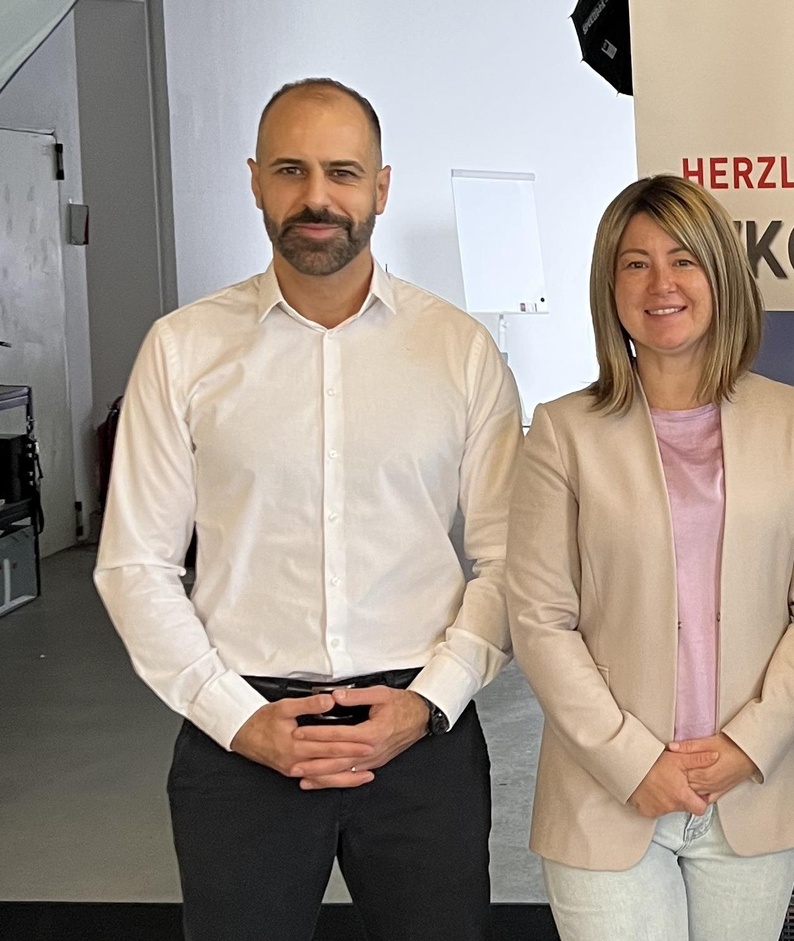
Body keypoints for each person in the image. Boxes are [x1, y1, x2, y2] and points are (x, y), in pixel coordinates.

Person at [94, 78, 522, 941]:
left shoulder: (461, 352)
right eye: (291, 170)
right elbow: (135, 563)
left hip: (420, 738)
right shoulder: (182, 350)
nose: (317, 196)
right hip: (239, 738)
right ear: (256, 180)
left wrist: (428, 702)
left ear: (381, 187)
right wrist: (236, 717)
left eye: (343, 172)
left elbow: (511, 559)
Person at [506, 174, 794, 941]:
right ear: (610, 288)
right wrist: (633, 760)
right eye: (635, 263)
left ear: (720, 274)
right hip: (605, 793)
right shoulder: (562, 432)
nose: (660, 283)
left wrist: (747, 744)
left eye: (683, 260)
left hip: (752, 789)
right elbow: (538, 620)